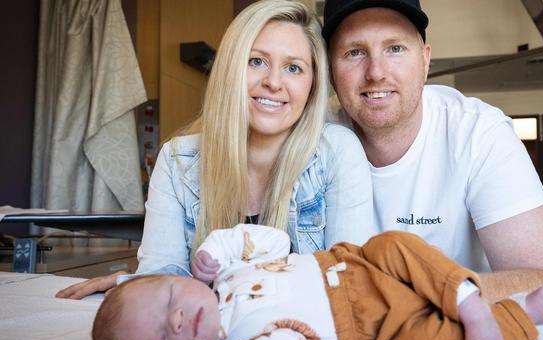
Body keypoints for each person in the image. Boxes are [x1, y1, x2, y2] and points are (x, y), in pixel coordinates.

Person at [56, 0, 374, 299]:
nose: (274, 82)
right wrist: (141, 284)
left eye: (293, 68)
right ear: (229, 70)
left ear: (313, 86)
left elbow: (347, 283)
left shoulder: (336, 152)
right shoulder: (176, 162)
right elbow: (164, 274)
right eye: (256, 61)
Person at [321, 0, 543, 306]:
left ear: (425, 60)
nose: (376, 72)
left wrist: (429, 293)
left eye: (395, 48)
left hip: (465, 330)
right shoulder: (310, 138)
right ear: (330, 70)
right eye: (355, 52)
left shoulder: (478, 133)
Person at [92, 224, 543, 340]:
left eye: (169, 298)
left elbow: (276, 242)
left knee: (396, 243)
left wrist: (217, 249)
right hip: (374, 332)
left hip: (353, 263)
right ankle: (519, 316)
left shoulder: (225, 276)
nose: (175, 320)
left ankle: (471, 303)